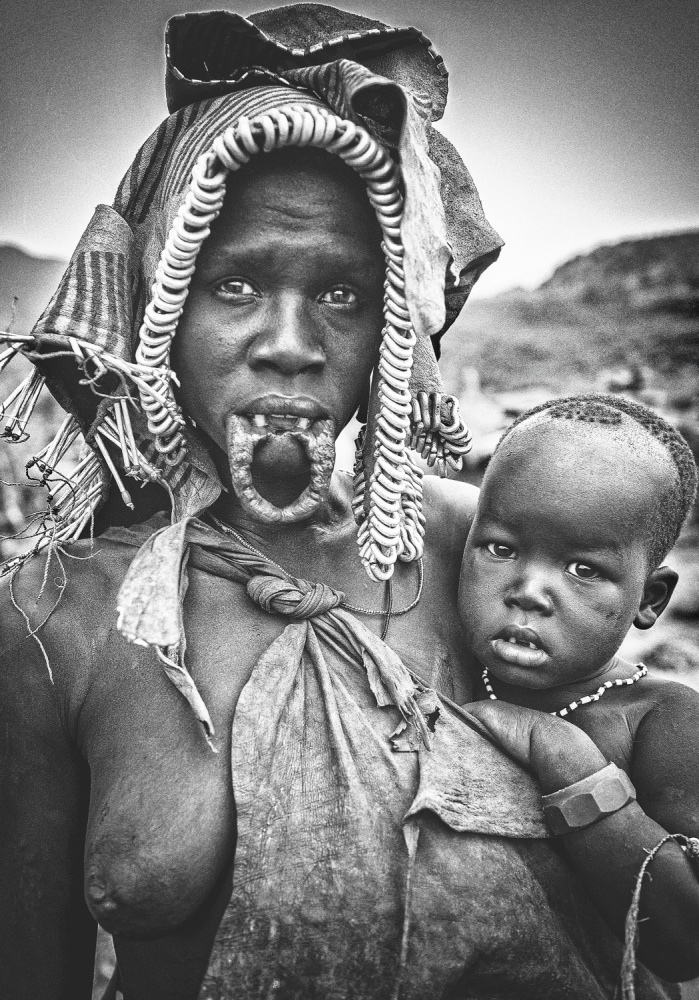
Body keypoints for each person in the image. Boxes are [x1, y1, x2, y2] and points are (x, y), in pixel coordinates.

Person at [0, 7, 691, 1000]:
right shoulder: (55, 617)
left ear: (393, 326)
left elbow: (662, 887)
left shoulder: (484, 552)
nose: (289, 341)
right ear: (160, 309)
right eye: (232, 284)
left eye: (342, 295)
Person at [461, 393, 699, 981]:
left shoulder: (660, 719)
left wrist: (566, 763)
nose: (528, 590)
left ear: (649, 600)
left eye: (583, 570)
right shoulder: (449, 666)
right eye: (500, 548)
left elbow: (685, 942)